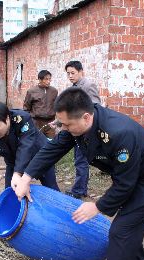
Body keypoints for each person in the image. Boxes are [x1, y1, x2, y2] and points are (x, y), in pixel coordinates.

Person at [13, 87, 144, 260]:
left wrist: (97, 206)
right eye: (62, 124)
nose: (64, 129)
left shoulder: (119, 133)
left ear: (86, 117)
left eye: (67, 125)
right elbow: (52, 150)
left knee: (121, 230)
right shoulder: (78, 127)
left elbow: (125, 185)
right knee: (130, 224)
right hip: (133, 176)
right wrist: (26, 176)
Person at [0, 101, 60, 214]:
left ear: (7, 119)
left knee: (51, 188)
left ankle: (59, 213)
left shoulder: (22, 119)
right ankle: (16, 219)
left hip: (39, 157)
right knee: (11, 192)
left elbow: (25, 147)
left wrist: (18, 174)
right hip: (13, 162)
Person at [64, 60, 101, 199]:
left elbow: (95, 106)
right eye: (68, 73)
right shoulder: (73, 87)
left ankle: (79, 190)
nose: (70, 76)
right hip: (76, 128)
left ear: (81, 72)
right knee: (79, 159)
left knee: (81, 160)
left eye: (73, 73)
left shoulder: (88, 85)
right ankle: (80, 188)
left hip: (86, 130)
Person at [23, 70, 58, 139]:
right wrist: (29, 121)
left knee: (51, 143)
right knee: (37, 142)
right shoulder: (31, 91)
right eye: (46, 79)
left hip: (50, 122)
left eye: (49, 79)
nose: (49, 81)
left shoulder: (54, 91)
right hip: (36, 122)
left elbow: (56, 106)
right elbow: (26, 108)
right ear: (39, 79)